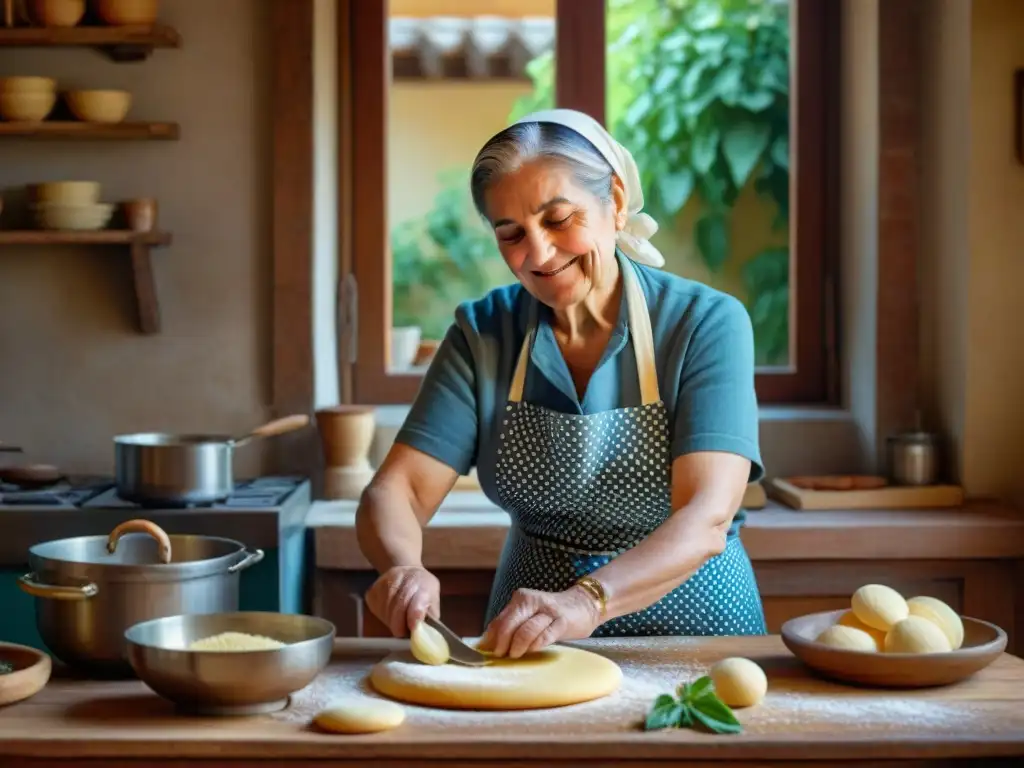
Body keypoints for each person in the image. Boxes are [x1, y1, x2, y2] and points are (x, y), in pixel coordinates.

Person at [356, 108, 766, 661]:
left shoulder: (704, 323)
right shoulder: (485, 333)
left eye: (559, 218)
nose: (540, 253)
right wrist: (403, 568)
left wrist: (588, 602)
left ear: (615, 203)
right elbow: (396, 491)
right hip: (532, 639)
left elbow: (707, 517)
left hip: (696, 636)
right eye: (512, 234)